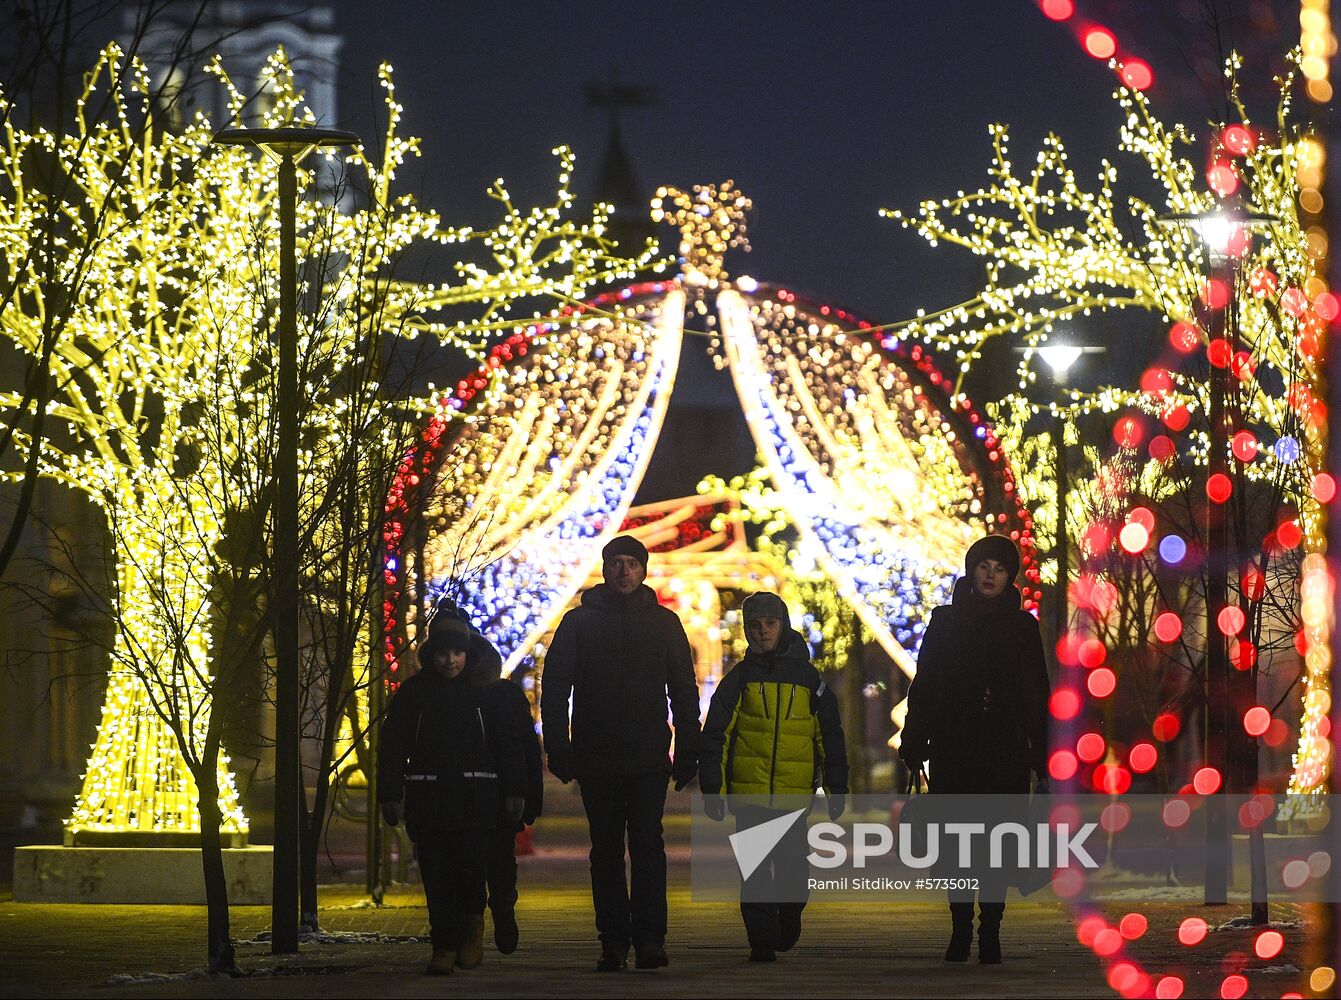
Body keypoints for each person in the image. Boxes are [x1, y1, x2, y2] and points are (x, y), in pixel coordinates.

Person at [540, 534, 701, 972]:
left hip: (648, 756)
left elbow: (683, 689)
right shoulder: (579, 624)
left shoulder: (664, 624)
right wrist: (559, 746)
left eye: (632, 563)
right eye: (616, 563)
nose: (624, 571)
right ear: (605, 568)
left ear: (643, 570)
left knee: (647, 844)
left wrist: (689, 746)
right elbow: (555, 687)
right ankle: (613, 940)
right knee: (606, 848)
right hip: (597, 756)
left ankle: (649, 938)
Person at [898, 534, 1051, 965]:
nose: (990, 575)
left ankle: (991, 929)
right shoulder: (945, 622)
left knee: (999, 844)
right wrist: (915, 737)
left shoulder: (1022, 628)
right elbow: (926, 683)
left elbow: (1036, 694)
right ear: (971, 570)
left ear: (1009, 577)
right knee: (958, 843)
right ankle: (961, 926)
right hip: (955, 746)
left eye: (999, 569)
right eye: (984, 566)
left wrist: (1041, 751)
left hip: (1005, 749)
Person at [698, 592, 849, 963]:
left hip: (793, 795)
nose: (762, 631)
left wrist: (837, 786)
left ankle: (789, 917)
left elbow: (828, 735)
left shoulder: (808, 680)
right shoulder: (740, 680)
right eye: (754, 625)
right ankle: (762, 940)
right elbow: (717, 734)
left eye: (770, 623)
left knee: (793, 870)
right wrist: (713, 788)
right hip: (749, 794)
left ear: (783, 625)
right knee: (754, 872)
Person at [378, 613, 526, 975]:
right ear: (432, 655)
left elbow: (507, 744)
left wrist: (514, 790)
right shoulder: (415, 694)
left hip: (476, 798)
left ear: (467, 654)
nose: (450, 660)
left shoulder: (485, 693)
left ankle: (471, 930)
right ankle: (443, 943)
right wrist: (391, 792)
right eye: (443, 653)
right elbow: (393, 745)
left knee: (471, 869)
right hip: (429, 798)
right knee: (436, 874)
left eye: (457, 653)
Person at [455, 607, 544, 956]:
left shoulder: (503, 696)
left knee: (499, 861)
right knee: (470, 864)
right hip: (464, 795)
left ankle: (503, 908)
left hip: (498, 797)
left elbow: (522, 749)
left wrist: (525, 795)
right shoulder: (442, 696)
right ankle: (475, 923)